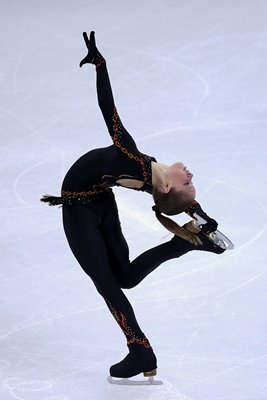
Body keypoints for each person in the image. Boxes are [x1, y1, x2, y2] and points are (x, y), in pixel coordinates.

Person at [41, 31, 225, 382]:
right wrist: (202, 223)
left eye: (188, 180)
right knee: (123, 276)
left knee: (108, 283)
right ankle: (180, 244)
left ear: (168, 185)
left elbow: (108, 110)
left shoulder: (135, 160)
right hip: (98, 201)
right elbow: (177, 200)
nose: (190, 173)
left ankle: (140, 349)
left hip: (82, 204)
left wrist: (101, 65)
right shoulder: (151, 176)